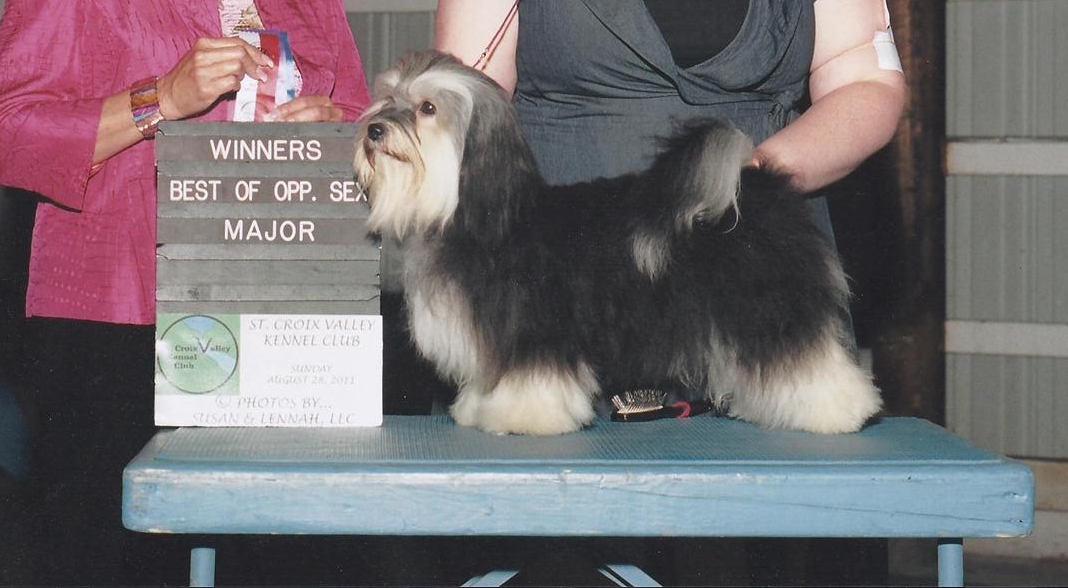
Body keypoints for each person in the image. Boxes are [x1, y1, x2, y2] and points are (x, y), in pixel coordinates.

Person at [435, 0, 906, 584]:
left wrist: (755, 175)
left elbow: (864, 82)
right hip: (557, 292)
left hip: (753, 254)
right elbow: (461, 99)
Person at [0, 0, 370, 584]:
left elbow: (360, 119)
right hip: (118, 316)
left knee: (283, 562)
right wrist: (161, 99)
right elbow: (11, 131)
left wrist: (335, 134)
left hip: (286, 321)